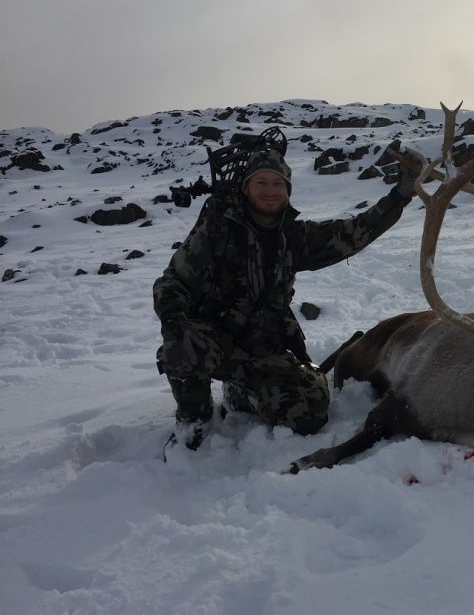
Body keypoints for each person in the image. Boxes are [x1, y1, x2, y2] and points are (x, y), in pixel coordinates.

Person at [153, 142, 418, 450]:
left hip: (264, 351)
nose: (270, 190)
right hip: (215, 345)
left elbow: (353, 232)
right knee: (182, 346)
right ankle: (194, 420)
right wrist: (175, 322)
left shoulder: (293, 237)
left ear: (288, 190)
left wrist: (400, 195)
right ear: (246, 187)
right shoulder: (216, 231)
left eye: (278, 183)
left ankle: (243, 395)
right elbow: (172, 282)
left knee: (310, 412)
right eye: (261, 182)